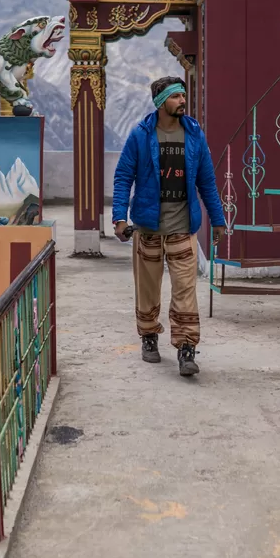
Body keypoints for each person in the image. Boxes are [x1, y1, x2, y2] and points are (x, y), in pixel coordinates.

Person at [113, 76, 226, 377]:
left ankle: (186, 348)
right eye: (177, 97)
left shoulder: (194, 135)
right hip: (148, 229)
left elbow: (207, 181)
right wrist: (119, 218)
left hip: (182, 228)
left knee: (185, 291)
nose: (183, 102)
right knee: (147, 290)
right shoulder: (140, 135)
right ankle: (149, 337)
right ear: (161, 102)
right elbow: (124, 176)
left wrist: (218, 219)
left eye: (183, 96)